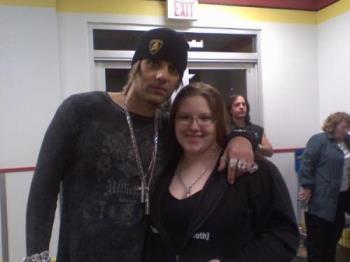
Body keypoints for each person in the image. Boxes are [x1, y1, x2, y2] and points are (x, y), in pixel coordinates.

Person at [24, 28, 255, 262]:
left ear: (177, 81)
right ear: (136, 66)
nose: (162, 75)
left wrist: (241, 137)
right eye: (154, 63)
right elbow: (44, 187)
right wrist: (36, 256)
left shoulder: (170, 128)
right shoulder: (81, 111)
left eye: (173, 69)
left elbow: (210, 138)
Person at [144, 82, 299, 262]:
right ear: (173, 122)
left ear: (219, 121)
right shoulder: (161, 166)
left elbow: (284, 237)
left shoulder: (252, 170)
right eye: (184, 117)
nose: (194, 126)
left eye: (205, 118)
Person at [298, 112, 350, 262]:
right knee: (317, 242)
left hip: (341, 198)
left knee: (333, 239)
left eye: (348, 127)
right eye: (344, 127)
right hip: (321, 199)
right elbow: (307, 165)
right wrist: (307, 186)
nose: (346, 130)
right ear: (333, 125)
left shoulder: (348, 141)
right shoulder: (319, 140)